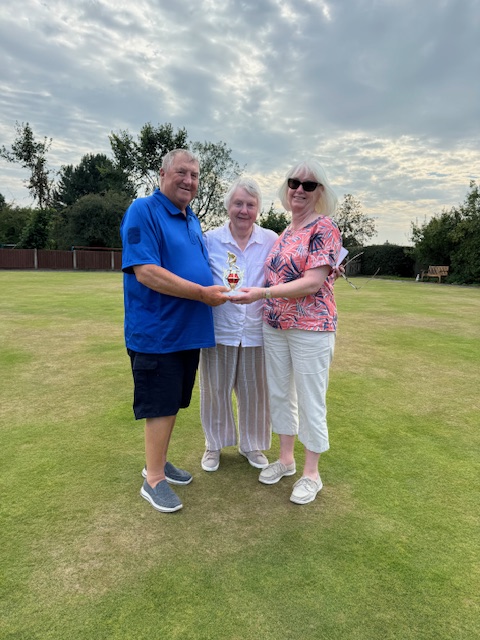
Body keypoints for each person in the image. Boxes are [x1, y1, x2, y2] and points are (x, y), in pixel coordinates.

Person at [120, 149, 228, 514]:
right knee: (160, 404)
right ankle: (153, 479)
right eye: (182, 172)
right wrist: (201, 293)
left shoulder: (192, 218)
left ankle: (159, 461)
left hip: (188, 331)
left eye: (195, 175)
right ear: (162, 173)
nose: (189, 180)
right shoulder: (143, 211)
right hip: (157, 332)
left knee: (174, 402)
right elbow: (145, 270)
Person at [232, 159, 342, 505]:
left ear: (319, 192)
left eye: (308, 185)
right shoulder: (285, 232)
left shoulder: (324, 227)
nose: (299, 189)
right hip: (275, 325)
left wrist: (262, 294)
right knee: (279, 393)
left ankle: (312, 473)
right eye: (295, 182)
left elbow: (312, 282)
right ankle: (286, 459)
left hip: (312, 326)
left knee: (311, 398)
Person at [199, 177, 278, 472]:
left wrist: (331, 266)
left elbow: (295, 264)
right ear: (228, 206)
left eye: (250, 205)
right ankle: (214, 445)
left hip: (257, 332)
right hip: (219, 329)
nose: (244, 210)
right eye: (238, 203)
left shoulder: (271, 239)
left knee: (255, 392)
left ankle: (252, 445)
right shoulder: (210, 239)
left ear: (258, 209)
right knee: (215, 390)